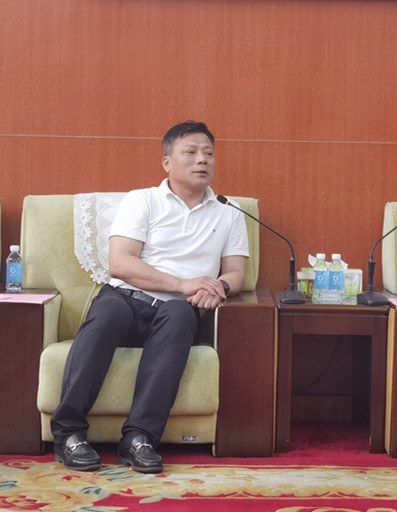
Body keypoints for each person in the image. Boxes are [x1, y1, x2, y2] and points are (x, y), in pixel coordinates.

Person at [51, 121, 249, 473]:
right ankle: (69, 433)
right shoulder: (141, 200)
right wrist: (184, 283)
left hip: (178, 309)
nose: (202, 160)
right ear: (167, 162)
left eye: (208, 153)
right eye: (191, 152)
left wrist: (219, 288)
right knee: (106, 316)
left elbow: (235, 272)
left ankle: (139, 439)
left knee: (180, 316)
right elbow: (120, 263)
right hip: (126, 299)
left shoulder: (229, 211)